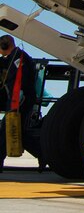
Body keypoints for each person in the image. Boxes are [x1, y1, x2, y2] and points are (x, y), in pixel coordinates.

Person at [0, 35, 38, 172]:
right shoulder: (13, 58)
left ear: (4, 46)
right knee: (20, 133)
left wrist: (20, 98)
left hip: (20, 101)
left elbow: (24, 80)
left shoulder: (20, 59)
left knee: (5, 131)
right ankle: (43, 154)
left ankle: (44, 153)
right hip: (18, 101)